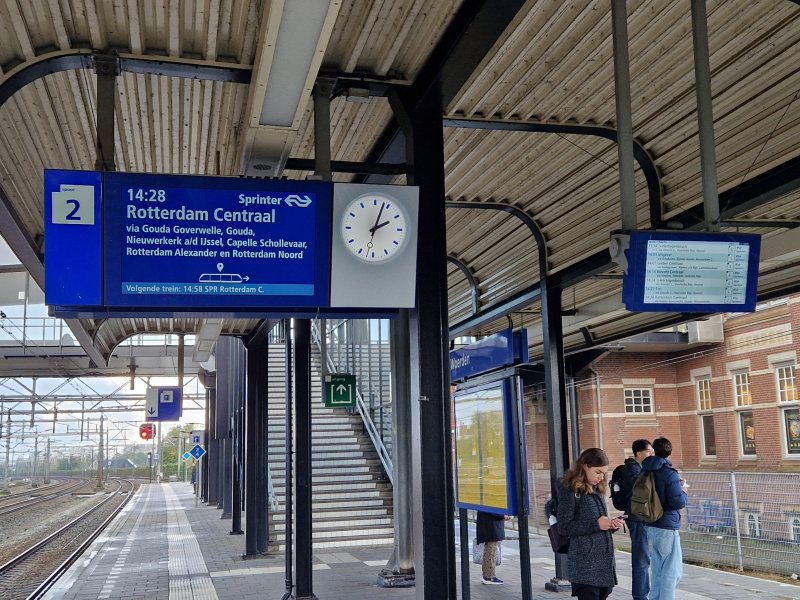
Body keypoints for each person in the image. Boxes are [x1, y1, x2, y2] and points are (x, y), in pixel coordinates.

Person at [557, 448, 624, 600]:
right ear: (585, 466)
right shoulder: (570, 490)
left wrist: (610, 525)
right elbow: (564, 526)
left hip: (603, 565)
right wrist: (596, 524)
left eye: (604, 473)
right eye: (598, 472)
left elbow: (598, 522)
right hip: (585, 565)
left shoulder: (597, 488)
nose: (601, 477)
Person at [641, 437, 688, 600]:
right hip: (667, 526)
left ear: (654, 451)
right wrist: (683, 491)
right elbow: (677, 502)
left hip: (650, 524)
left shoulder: (645, 469)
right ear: (670, 452)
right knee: (671, 572)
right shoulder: (669, 473)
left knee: (657, 570)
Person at [621, 439, 655, 600]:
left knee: (644, 557)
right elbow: (642, 490)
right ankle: (640, 595)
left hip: (641, 518)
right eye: (649, 451)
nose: (652, 454)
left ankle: (642, 594)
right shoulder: (632, 470)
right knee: (641, 559)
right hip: (637, 519)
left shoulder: (639, 468)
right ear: (639, 453)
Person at [475, 510, 505, 585]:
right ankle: (489, 577)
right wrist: (503, 515)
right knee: (491, 552)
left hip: (489, 524)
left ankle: (486, 576)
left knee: (489, 550)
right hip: (491, 525)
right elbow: (492, 509)